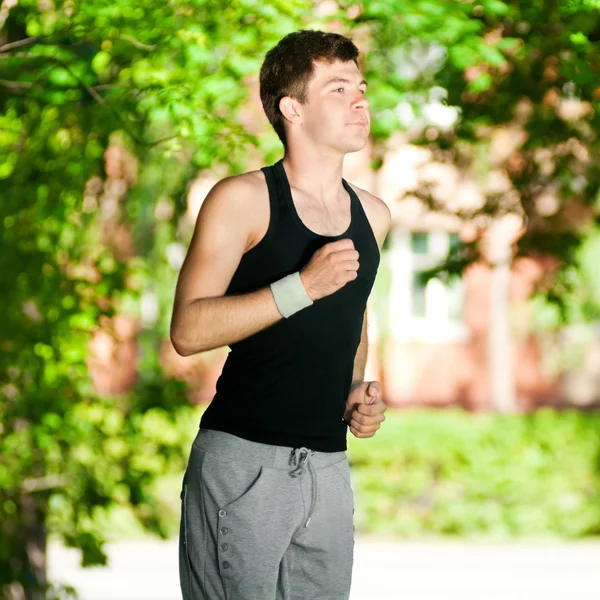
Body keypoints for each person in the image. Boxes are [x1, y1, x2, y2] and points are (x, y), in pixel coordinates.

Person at [170, 29, 391, 600]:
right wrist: (302, 286)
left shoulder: (374, 215)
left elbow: (354, 315)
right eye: (339, 89)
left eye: (361, 87)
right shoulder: (240, 199)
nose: (361, 101)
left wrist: (353, 389)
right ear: (291, 108)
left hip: (327, 466)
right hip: (244, 463)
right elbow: (188, 331)